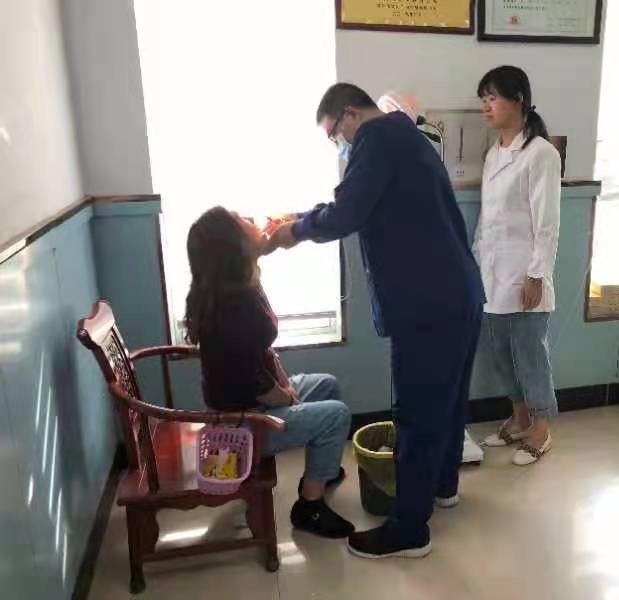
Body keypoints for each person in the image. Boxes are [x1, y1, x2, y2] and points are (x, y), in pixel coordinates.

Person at [264, 83, 485, 559]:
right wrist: (297, 217)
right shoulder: (403, 136)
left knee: (417, 413)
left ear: (349, 114)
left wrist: (292, 232)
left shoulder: (377, 139)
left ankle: (409, 530)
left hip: (428, 306)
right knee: (447, 403)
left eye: (334, 135)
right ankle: (442, 487)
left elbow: (346, 213)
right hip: (458, 295)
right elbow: (356, 203)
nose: (339, 145)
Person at [184, 206, 354, 539]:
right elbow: (257, 386)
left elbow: (262, 356)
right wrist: (286, 396)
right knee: (336, 415)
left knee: (327, 385)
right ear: (232, 249)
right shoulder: (235, 310)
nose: (251, 219)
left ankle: (322, 471)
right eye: (241, 220)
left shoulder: (237, 287)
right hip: (243, 427)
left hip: (251, 405)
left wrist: (284, 385)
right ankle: (309, 507)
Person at [473, 66, 561, 466]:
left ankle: (541, 429)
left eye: (492, 98)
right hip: (491, 274)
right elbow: (487, 218)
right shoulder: (494, 153)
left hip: (525, 273)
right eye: (484, 99)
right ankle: (520, 416)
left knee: (529, 354)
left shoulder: (541, 153)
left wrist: (537, 275)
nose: (486, 106)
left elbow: (547, 223)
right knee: (501, 354)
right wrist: (475, 261)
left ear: (519, 100)